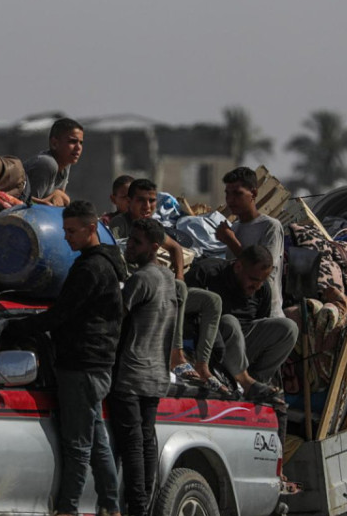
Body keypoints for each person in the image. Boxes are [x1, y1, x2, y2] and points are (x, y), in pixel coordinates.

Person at [14, 200, 125, 516]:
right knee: (97, 442)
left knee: (77, 443)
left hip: (82, 364)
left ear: (92, 229)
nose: (66, 238)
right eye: (64, 231)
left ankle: (67, 512)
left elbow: (61, 315)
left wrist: (20, 327)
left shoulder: (91, 268)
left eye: (72, 231)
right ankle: (111, 510)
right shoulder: (107, 264)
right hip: (97, 364)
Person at [107, 179, 225, 391]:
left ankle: (202, 364)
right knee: (177, 289)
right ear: (129, 201)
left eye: (152, 201)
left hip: (162, 290)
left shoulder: (154, 228)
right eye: (141, 200)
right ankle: (175, 355)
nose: (147, 206)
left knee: (211, 301)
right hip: (139, 290)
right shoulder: (120, 224)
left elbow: (176, 248)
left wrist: (179, 274)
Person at [107, 218, 177, 516]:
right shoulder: (168, 278)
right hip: (155, 374)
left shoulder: (141, 279)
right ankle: (145, 513)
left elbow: (114, 320)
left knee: (133, 444)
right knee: (146, 442)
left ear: (154, 247)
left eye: (136, 242)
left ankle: (137, 514)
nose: (129, 247)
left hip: (131, 375)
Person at [185, 245, 298, 402]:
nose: (257, 286)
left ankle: (256, 384)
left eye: (262, 281)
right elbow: (185, 309)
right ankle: (246, 383)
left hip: (242, 346)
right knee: (230, 322)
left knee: (288, 328)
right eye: (253, 279)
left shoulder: (262, 289)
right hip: (211, 344)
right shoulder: (208, 272)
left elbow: (260, 320)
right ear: (238, 267)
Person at [215, 167, 285, 317]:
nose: (230, 200)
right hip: (241, 311)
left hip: (266, 313)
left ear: (253, 193)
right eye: (227, 194)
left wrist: (231, 241)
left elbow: (264, 272)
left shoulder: (270, 226)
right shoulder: (235, 227)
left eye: (237, 194)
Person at [23, 118, 85, 207]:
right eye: (72, 141)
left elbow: (60, 200)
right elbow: (26, 206)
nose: (78, 147)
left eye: (81, 142)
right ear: (54, 143)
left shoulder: (66, 163)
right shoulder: (46, 164)